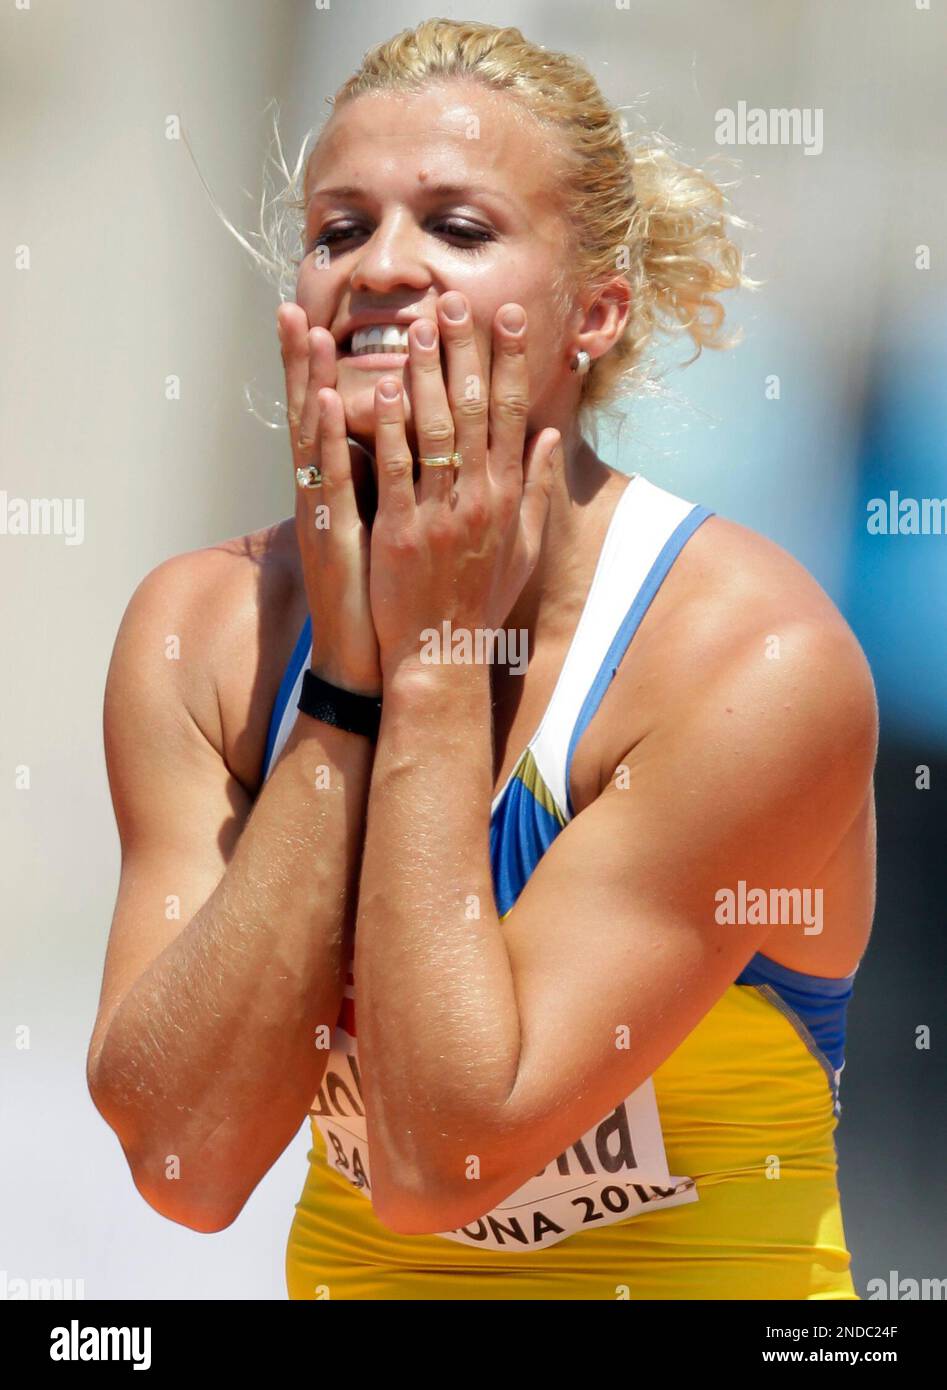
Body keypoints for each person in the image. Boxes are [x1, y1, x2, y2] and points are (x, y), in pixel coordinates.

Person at [87, 18, 878, 1300]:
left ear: (595, 311)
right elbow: (185, 1162)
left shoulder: (748, 659)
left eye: (457, 229)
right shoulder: (207, 631)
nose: (382, 268)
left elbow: (439, 1157)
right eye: (339, 230)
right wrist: (345, 688)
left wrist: (438, 669)